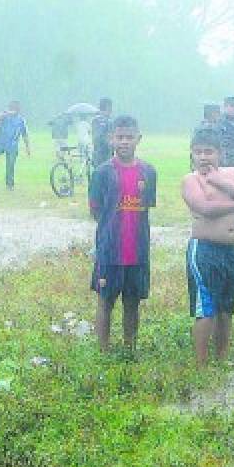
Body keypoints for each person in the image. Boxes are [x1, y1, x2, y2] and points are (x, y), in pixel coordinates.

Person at [181, 126, 234, 365]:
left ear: (220, 153)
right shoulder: (191, 180)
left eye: (209, 151)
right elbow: (203, 208)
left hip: (232, 251)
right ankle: (201, 365)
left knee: (227, 308)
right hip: (204, 250)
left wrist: (222, 184)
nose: (203, 157)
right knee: (206, 309)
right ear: (192, 154)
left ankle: (221, 359)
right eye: (198, 152)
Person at [89, 115, 156, 353]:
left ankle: (130, 348)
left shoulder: (149, 172)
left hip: (138, 248)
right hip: (110, 249)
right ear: (111, 139)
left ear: (139, 139)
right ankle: (103, 350)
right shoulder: (101, 173)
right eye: (120, 137)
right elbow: (96, 210)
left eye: (129, 137)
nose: (124, 142)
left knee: (132, 302)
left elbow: (147, 206)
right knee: (106, 300)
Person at [0, 100, 30, 190]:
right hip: (1, 144)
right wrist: (5, 114)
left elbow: (25, 134)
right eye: (12, 107)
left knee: (10, 165)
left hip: (13, 146)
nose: (14, 110)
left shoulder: (21, 120)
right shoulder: (5, 116)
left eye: (16, 108)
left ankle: (10, 185)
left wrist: (27, 148)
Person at [89, 97, 114, 169]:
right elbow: (109, 139)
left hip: (96, 154)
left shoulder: (94, 120)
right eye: (111, 107)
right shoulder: (109, 121)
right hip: (106, 155)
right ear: (108, 107)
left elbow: (94, 136)